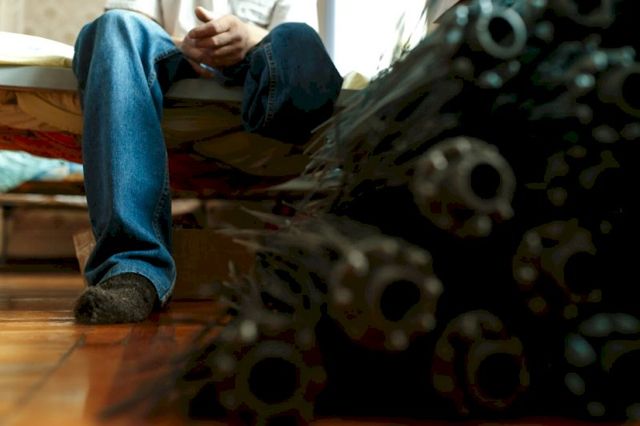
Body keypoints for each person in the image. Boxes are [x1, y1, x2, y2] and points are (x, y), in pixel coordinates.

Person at [71, 0, 343, 324]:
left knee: (299, 38)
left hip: (260, 59)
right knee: (115, 27)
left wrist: (247, 38)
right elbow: (130, 24)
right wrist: (188, 47)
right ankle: (132, 269)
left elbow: (296, 45)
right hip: (174, 54)